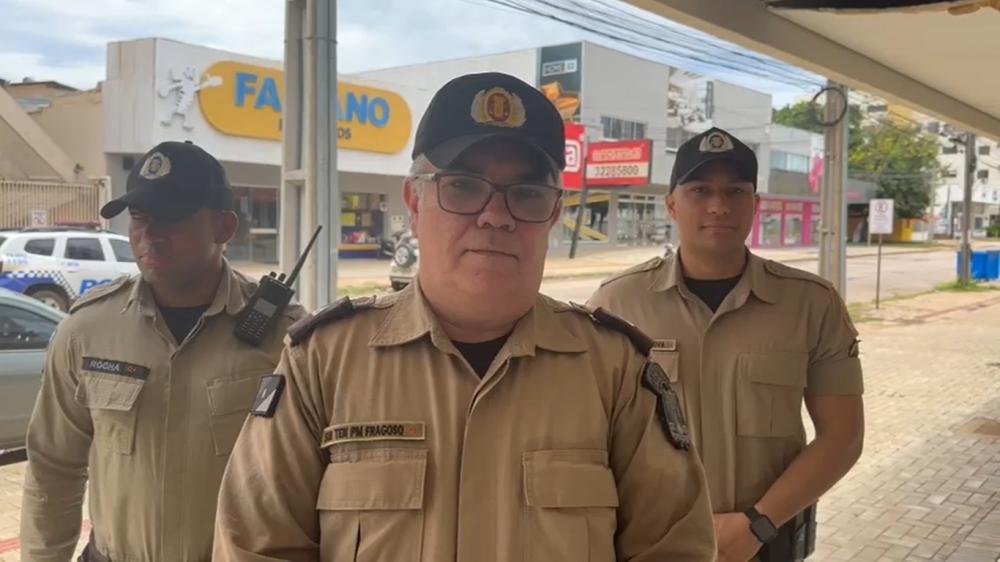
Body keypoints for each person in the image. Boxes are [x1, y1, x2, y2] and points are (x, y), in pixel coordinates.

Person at [213, 72, 716, 561]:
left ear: (554, 213)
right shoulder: (321, 363)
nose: (496, 215)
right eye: (463, 187)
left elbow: (673, 548)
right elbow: (257, 548)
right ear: (415, 201)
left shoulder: (616, 371)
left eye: (526, 194)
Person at [589, 127, 865, 562]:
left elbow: (843, 436)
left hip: (767, 543)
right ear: (672, 204)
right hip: (650, 544)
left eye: (735, 191)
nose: (719, 206)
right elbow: (589, 436)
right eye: (701, 190)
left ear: (755, 204)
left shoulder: (811, 303)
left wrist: (757, 523)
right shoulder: (618, 302)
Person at [20, 141, 305, 562]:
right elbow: (53, 470)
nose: (150, 234)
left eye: (172, 217)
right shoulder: (87, 331)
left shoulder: (288, 338)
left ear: (224, 229)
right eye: (139, 217)